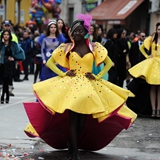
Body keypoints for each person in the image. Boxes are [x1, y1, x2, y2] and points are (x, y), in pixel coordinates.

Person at [23, 14, 136, 160]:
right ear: (70, 32)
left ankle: (71, 143)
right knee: (73, 119)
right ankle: (75, 152)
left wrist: (98, 76)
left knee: (82, 121)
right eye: (74, 31)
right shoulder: (66, 47)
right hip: (71, 85)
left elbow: (109, 63)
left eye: (80, 31)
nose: (77, 34)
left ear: (86, 33)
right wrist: (63, 74)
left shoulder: (95, 47)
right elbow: (50, 62)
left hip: (89, 86)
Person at [128, 23, 160, 118]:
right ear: (156, 29)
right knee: (153, 87)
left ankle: (158, 110)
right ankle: (153, 110)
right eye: (158, 29)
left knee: (159, 88)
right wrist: (147, 56)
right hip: (153, 64)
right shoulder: (151, 38)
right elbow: (141, 48)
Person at [0, 30, 25, 104]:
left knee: (7, 81)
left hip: (10, 65)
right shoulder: (1, 44)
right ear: (2, 36)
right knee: (3, 81)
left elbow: (22, 54)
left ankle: (5, 95)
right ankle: (4, 95)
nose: (6, 36)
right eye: (4, 34)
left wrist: (14, 58)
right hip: (2, 64)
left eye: (7, 34)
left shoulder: (13, 44)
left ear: (10, 36)